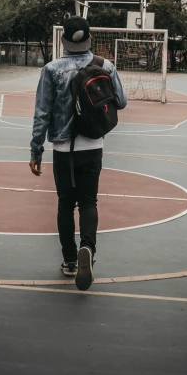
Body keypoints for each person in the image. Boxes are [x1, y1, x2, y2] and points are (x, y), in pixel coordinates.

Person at [29, 16, 127, 290]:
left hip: (62, 148)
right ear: (89, 40)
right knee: (88, 202)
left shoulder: (51, 69)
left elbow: (42, 113)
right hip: (93, 145)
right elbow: (121, 101)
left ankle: (70, 260)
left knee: (64, 204)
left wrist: (36, 149)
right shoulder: (104, 66)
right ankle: (88, 249)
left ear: (63, 40)